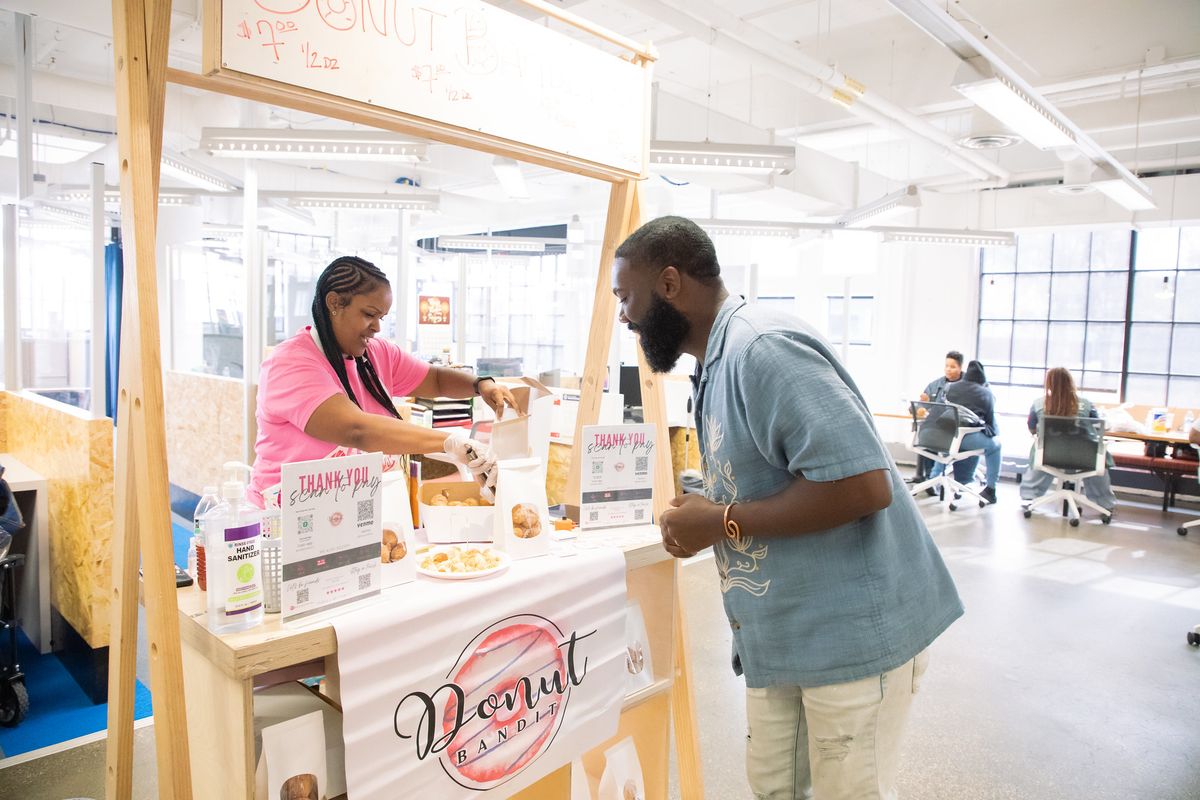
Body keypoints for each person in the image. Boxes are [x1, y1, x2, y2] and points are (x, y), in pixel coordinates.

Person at [612, 216, 963, 800]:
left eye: (627, 296)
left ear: (669, 284)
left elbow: (863, 485)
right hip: (783, 638)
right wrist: (710, 505)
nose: (624, 315)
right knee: (775, 788)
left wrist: (720, 522)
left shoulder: (762, 348)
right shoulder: (717, 361)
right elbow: (771, 475)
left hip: (849, 639)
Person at [249, 255, 519, 508]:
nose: (377, 327)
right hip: (284, 519)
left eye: (381, 317)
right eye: (369, 314)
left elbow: (436, 379)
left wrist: (481, 384)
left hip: (346, 516)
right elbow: (356, 430)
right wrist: (450, 442)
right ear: (334, 303)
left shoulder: (376, 354)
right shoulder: (291, 362)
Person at [1019, 367, 1116, 512]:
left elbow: (1032, 429)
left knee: (1041, 446)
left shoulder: (1038, 404)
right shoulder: (1086, 404)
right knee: (1097, 456)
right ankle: (1105, 504)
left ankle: (1029, 497)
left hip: (1050, 456)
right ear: (1071, 382)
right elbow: (1098, 427)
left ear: (1049, 383)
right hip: (1084, 458)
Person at [936, 360, 1002, 504]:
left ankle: (933, 479)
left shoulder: (949, 387)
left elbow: (938, 411)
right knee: (996, 445)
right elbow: (991, 423)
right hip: (965, 439)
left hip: (943, 436)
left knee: (950, 447)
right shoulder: (986, 393)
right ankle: (991, 489)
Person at [911, 352, 964, 486]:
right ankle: (930, 479)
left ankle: (933, 479)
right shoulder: (936, 385)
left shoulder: (967, 387)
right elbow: (920, 406)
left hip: (955, 431)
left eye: (952, 366)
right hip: (934, 428)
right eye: (946, 366)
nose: (948, 369)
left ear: (960, 367)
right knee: (928, 435)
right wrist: (920, 408)